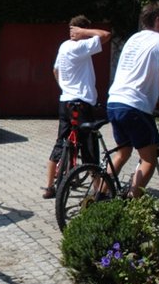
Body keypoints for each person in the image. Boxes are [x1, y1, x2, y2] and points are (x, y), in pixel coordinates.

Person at [42, 16, 111, 199]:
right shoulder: (80, 46)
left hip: (65, 101)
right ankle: (99, 191)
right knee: (89, 148)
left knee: (60, 142)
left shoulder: (63, 46)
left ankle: (49, 187)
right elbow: (105, 35)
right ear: (82, 30)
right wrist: (86, 33)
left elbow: (55, 70)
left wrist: (65, 87)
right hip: (81, 103)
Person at [107, 2, 159, 198]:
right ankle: (133, 204)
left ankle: (99, 196)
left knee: (122, 153)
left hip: (114, 101)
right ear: (158, 21)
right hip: (135, 106)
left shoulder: (133, 39)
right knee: (149, 159)